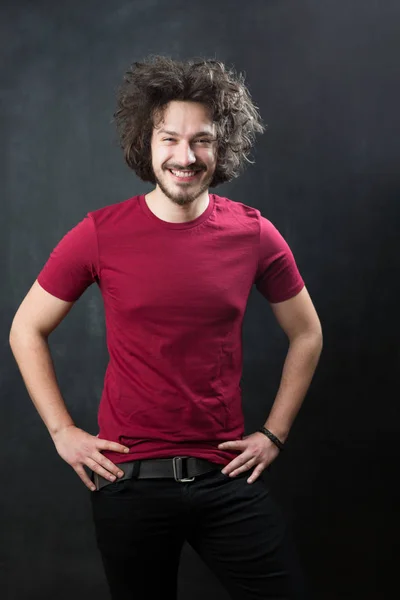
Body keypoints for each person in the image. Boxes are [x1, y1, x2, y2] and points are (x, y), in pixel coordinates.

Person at [9, 55, 323, 600]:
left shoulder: (254, 234)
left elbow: (307, 333)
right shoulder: (98, 234)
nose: (185, 156)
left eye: (201, 140)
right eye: (169, 138)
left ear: (222, 146)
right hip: (127, 484)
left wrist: (274, 434)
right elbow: (25, 329)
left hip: (226, 479)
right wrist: (63, 433)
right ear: (145, 144)